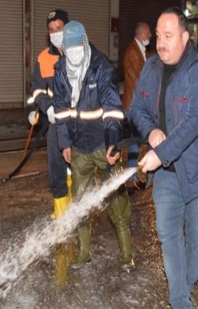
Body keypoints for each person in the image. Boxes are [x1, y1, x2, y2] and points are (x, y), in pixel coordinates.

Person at [130, 7, 198, 308]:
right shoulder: (150, 69)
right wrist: (151, 133)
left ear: (185, 38)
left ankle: (181, 289)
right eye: (158, 36)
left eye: (168, 36)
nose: (160, 42)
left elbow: (195, 122)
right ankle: (180, 301)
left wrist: (160, 153)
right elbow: (136, 109)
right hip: (168, 175)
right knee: (168, 234)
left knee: (197, 248)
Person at [52, 20, 133, 272]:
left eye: (76, 46)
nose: (72, 52)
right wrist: (64, 142)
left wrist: (112, 143)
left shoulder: (101, 68)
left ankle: (127, 255)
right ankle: (84, 252)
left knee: (117, 201)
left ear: (84, 43)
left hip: (101, 144)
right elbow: (62, 109)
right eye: (68, 48)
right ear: (63, 49)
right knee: (80, 202)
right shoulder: (61, 69)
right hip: (78, 148)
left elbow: (112, 109)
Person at [28, 9, 71, 219]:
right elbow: (36, 88)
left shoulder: (80, 53)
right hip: (55, 121)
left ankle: (76, 208)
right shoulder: (43, 58)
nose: (55, 33)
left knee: (78, 166)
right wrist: (46, 108)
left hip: (77, 120)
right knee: (56, 166)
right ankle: (61, 211)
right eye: (51, 30)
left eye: (59, 28)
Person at [121, 21, 152, 189]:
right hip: (134, 105)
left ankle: (133, 176)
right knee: (140, 140)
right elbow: (142, 78)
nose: (151, 36)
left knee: (137, 141)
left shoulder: (139, 50)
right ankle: (135, 176)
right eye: (148, 33)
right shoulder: (134, 51)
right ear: (141, 34)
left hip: (136, 105)